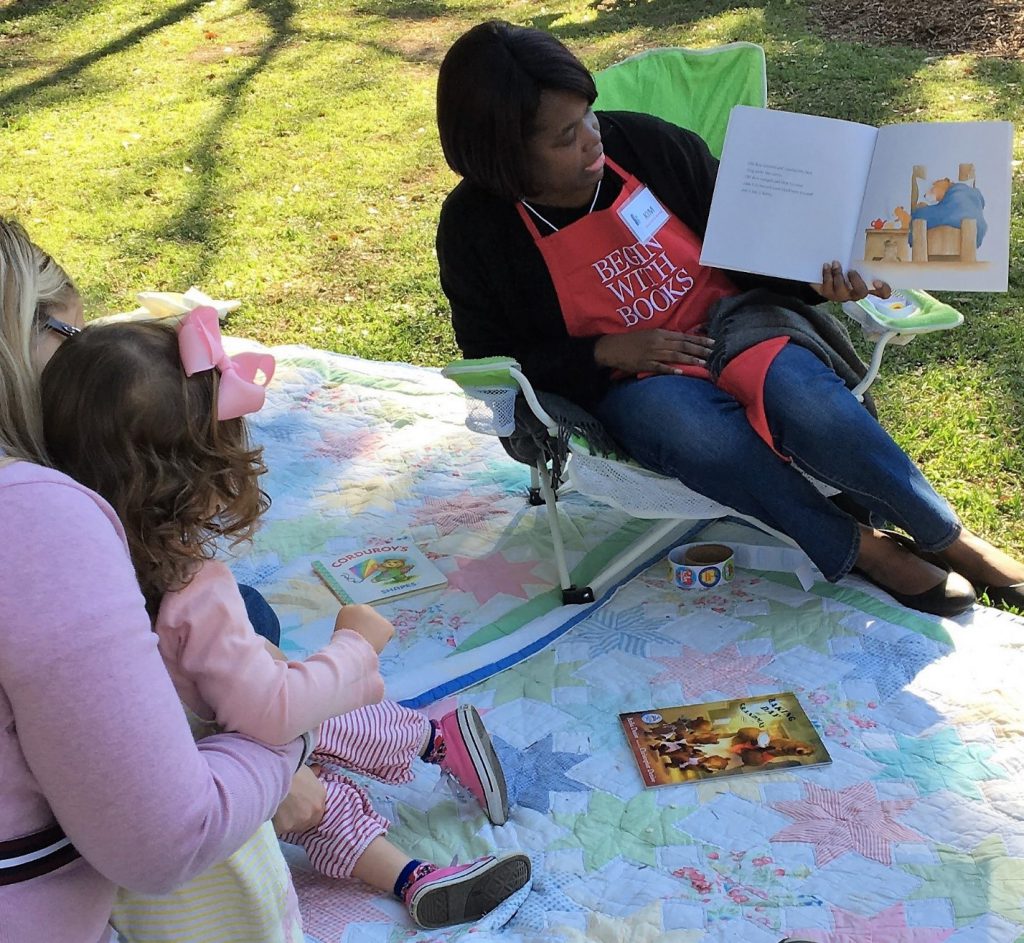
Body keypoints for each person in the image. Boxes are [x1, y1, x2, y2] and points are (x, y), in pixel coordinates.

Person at [434, 21, 1024, 616]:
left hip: (737, 323)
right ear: (502, 154)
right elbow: (490, 356)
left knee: (808, 399)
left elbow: (755, 247)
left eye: (589, 115)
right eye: (566, 137)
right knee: (699, 434)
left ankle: (948, 537)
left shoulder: (647, 147)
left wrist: (819, 279)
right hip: (632, 381)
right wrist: (605, 353)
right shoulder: (474, 229)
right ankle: (861, 547)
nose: (593, 140)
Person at [39, 311, 531, 936]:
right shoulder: (193, 591)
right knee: (302, 712)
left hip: (161, 760)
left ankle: (413, 868)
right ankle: (428, 755)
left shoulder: (65, 560)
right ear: (202, 480)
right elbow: (275, 712)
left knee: (291, 720)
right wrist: (355, 648)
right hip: (198, 770)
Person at [0, 218, 320, 943]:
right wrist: (287, 733)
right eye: (70, 338)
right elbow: (169, 836)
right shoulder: (36, 519)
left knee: (247, 613)